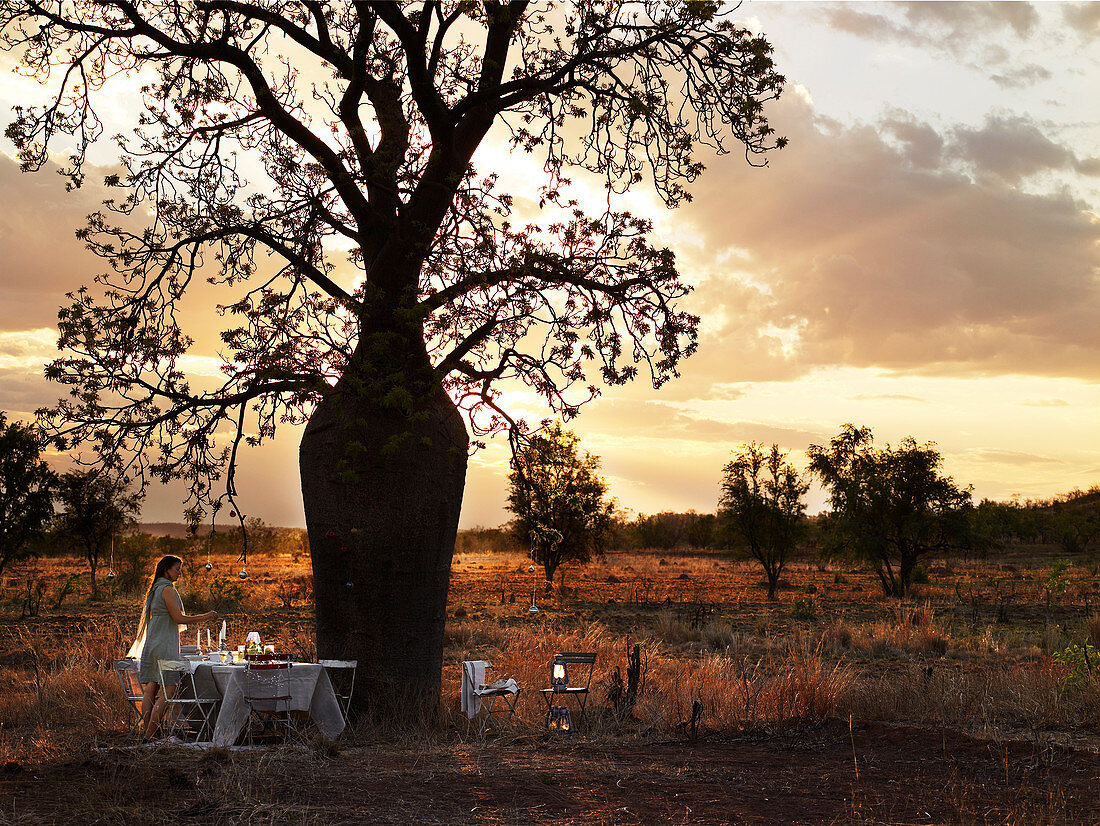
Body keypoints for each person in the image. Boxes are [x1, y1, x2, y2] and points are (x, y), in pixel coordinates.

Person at [130, 555, 218, 740]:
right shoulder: (167, 589)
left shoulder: (154, 588)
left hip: (152, 644)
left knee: (151, 689)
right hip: (165, 646)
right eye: (177, 568)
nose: (179, 572)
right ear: (166, 570)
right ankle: (150, 734)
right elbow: (178, 618)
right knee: (169, 690)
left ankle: (150, 736)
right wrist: (205, 616)